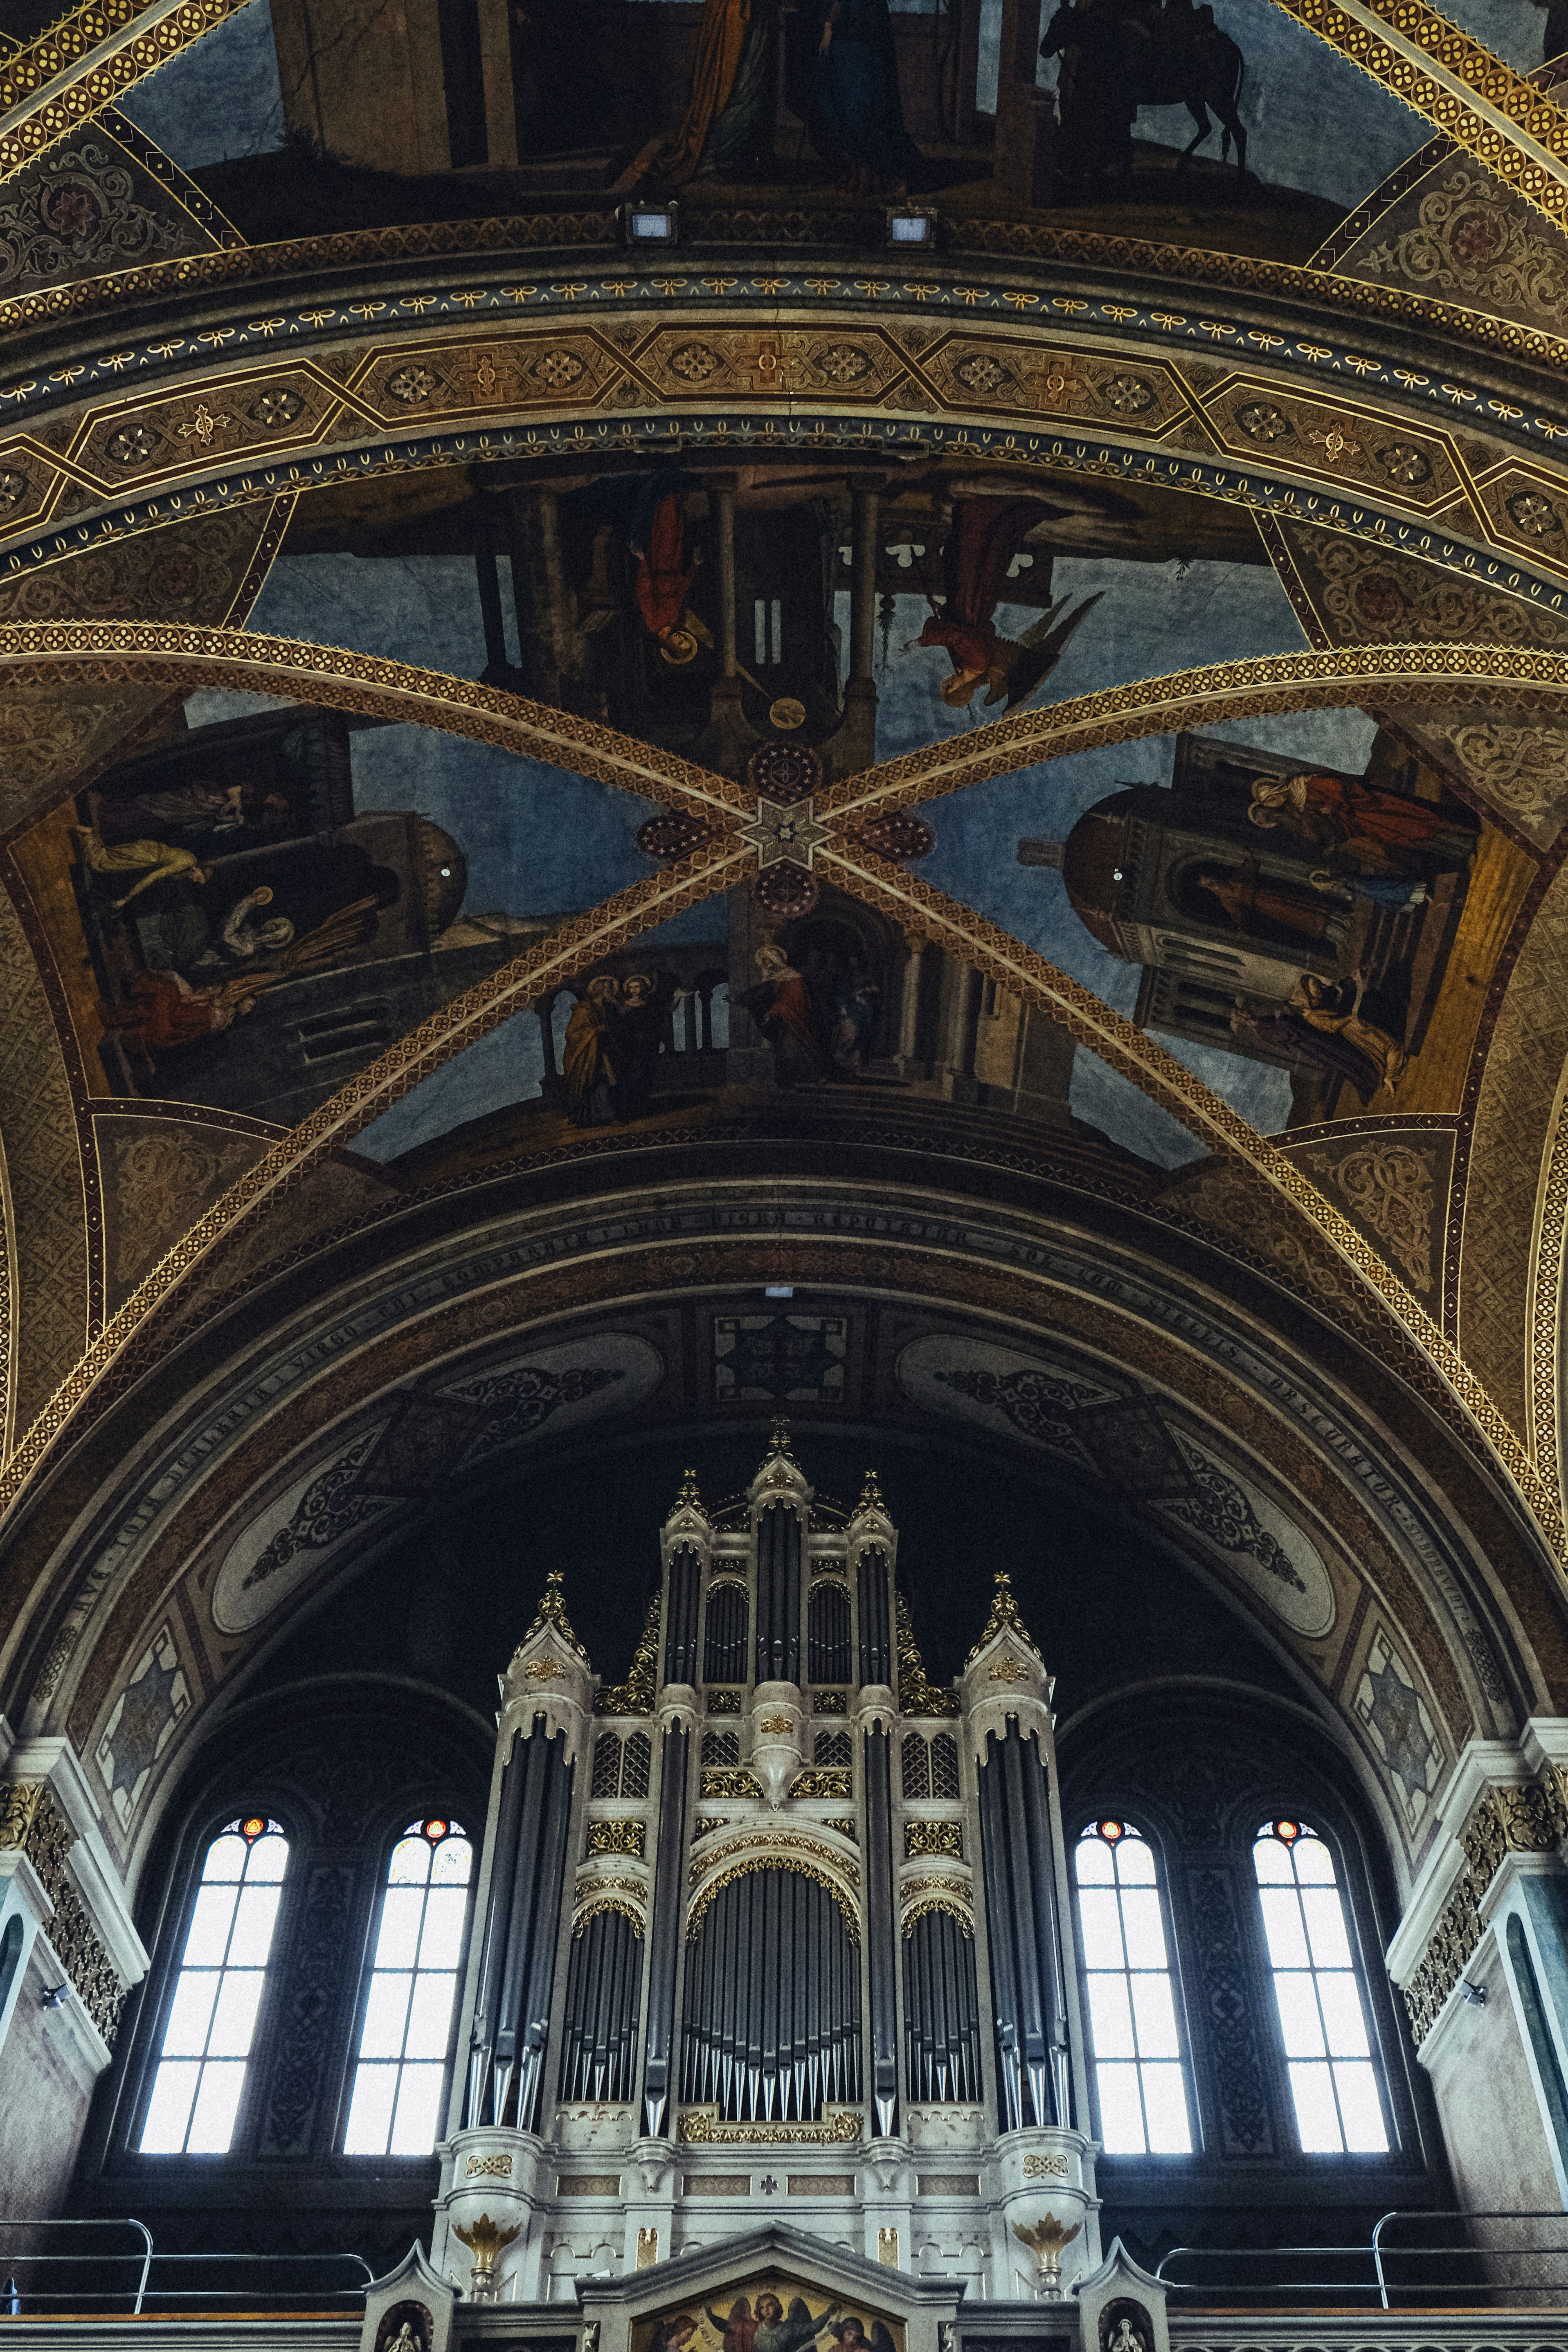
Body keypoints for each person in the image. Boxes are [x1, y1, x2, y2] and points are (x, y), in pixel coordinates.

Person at [642, 0, 780, 184]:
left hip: (757, 15)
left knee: (752, 93)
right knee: (739, 94)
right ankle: (716, 159)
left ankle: (739, 158)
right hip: (738, 14)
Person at [1248, 772, 1477, 877]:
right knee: (1404, 839)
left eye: (1273, 798)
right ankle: (1462, 849)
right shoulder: (1296, 808)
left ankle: (1468, 833)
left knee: (1414, 821)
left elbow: (1342, 788)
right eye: (1271, 805)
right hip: (1358, 822)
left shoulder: (1305, 784)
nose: (1275, 804)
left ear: (1276, 789)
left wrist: (1331, 806)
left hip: (1367, 808)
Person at [808, 0, 915, 193]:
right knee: (833, 107)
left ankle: (873, 174)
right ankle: (858, 170)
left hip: (858, 35)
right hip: (839, 34)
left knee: (857, 110)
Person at [1289, 972, 1406, 1092]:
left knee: (1381, 1045)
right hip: (1352, 1028)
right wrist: (1349, 1018)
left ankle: (1390, 1073)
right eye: (1314, 984)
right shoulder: (1312, 1016)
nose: (1318, 985)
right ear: (1307, 991)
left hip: (1353, 1024)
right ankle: (1391, 1075)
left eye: (1316, 981)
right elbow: (1332, 1026)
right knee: (1386, 1045)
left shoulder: (1320, 999)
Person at [736, 944, 832, 1086]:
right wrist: (739, 1000)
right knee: (785, 1050)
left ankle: (811, 1077)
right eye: (765, 962)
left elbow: (792, 1000)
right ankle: (788, 1082)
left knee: (795, 1049)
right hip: (784, 1019)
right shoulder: (775, 978)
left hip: (795, 1018)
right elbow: (760, 994)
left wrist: (775, 1010)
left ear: (777, 960)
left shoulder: (794, 977)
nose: (767, 965)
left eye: (770, 961)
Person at [1195, 859, 1335, 946]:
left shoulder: (1235, 880)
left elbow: (1251, 867)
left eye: (1213, 880)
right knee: (1291, 913)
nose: (1216, 884)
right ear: (1209, 888)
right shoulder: (1225, 900)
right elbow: (1237, 915)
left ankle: (1325, 913)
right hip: (1265, 906)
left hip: (1269, 895)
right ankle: (1322, 925)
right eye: (1211, 885)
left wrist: (1250, 858)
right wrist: (1239, 929)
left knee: (1294, 903)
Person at [73, 826, 212, 909]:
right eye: (199, 878)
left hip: (147, 848)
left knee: (109, 858)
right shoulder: (186, 863)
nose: (195, 880)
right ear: (200, 871)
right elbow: (154, 876)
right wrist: (127, 899)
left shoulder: (192, 859)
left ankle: (89, 837)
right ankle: (89, 835)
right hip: (145, 856)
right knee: (103, 864)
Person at [563, 975, 622, 1126]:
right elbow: (571, 1034)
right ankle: (589, 1118)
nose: (612, 992)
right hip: (589, 1054)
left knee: (607, 1082)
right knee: (593, 1083)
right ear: (600, 991)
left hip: (604, 1051)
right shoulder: (584, 1010)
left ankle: (609, 1116)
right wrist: (595, 1031)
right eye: (608, 989)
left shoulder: (608, 1008)